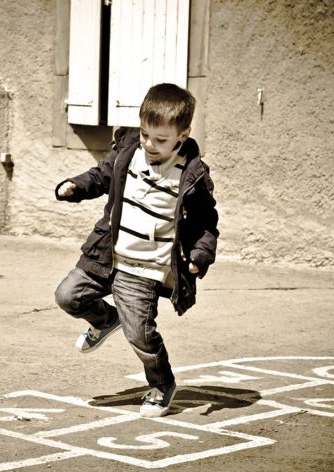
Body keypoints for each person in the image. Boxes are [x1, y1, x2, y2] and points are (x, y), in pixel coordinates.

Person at [54, 83, 219, 418]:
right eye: (145, 134)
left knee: (141, 334)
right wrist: (76, 186)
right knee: (68, 295)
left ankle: (162, 384)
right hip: (107, 253)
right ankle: (104, 319)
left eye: (160, 139)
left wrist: (199, 258)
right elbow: (101, 176)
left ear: (182, 135)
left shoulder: (192, 175)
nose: (150, 144)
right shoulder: (129, 152)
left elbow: (206, 224)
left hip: (144, 268)